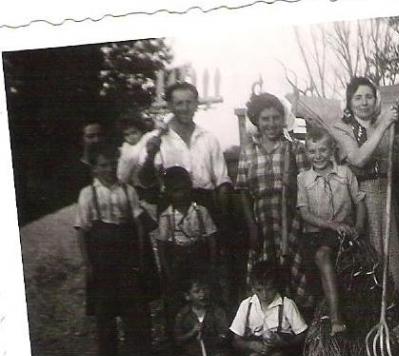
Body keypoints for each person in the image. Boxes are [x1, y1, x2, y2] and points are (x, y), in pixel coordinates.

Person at [330, 77, 399, 312]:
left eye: (369, 97)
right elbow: (358, 158)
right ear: (349, 102)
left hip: (387, 192)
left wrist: (386, 125)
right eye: (358, 98)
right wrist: (382, 126)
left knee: (393, 252)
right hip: (361, 196)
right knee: (372, 251)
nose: (364, 102)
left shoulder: (385, 121)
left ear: (376, 100)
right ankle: (375, 310)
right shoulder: (342, 128)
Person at [74, 143, 151, 356]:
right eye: (103, 165)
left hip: (126, 253)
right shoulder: (88, 193)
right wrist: (88, 263)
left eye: (112, 164)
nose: (109, 169)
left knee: (133, 304)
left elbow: (138, 224)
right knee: (104, 308)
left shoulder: (128, 190)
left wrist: (140, 255)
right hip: (102, 256)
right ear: (94, 168)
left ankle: (138, 354)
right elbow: (82, 229)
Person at [235, 92, 309, 301]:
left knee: (293, 267)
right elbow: (243, 191)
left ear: (283, 119)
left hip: (291, 217)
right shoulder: (248, 152)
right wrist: (252, 227)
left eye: (276, 118)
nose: (271, 124)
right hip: (262, 220)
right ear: (256, 121)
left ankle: (295, 313)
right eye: (265, 119)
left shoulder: (294, 147)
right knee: (266, 271)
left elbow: (307, 185)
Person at [297, 126, 366, 335]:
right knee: (316, 270)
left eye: (323, 150)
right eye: (312, 151)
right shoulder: (303, 178)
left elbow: (359, 201)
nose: (318, 156)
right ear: (306, 153)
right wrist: (332, 225)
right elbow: (305, 213)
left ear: (332, 150)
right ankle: (325, 320)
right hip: (313, 234)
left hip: (340, 233)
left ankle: (337, 318)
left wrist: (359, 227)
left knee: (323, 255)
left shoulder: (345, 173)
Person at [138, 81, 232, 221]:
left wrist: (222, 214)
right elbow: (145, 181)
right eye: (179, 103)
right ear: (170, 106)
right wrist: (151, 155)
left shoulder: (209, 138)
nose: (185, 108)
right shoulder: (153, 139)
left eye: (189, 102)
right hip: (171, 208)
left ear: (196, 104)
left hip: (206, 204)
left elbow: (221, 180)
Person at [127, 277, 243, 356]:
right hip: (192, 354)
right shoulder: (183, 314)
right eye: (197, 291)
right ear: (188, 296)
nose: (202, 294)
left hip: (214, 352)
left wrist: (210, 337)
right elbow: (178, 339)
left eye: (205, 290)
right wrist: (192, 332)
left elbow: (225, 334)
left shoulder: (217, 312)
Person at [157, 167, 218, 344]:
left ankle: (210, 337)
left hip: (199, 257)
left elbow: (212, 238)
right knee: (176, 301)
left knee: (204, 294)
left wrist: (213, 263)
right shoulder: (167, 216)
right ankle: (178, 342)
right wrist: (167, 270)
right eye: (176, 190)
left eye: (184, 189)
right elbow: (162, 246)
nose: (181, 194)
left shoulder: (201, 211)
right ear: (169, 192)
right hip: (178, 261)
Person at [230, 261, 307, 356]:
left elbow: (302, 335)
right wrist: (252, 345)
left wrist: (283, 343)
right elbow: (236, 340)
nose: (265, 295)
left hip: (281, 346)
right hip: (255, 347)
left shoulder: (287, 304)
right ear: (253, 288)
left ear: (277, 286)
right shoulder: (246, 305)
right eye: (259, 290)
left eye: (270, 289)